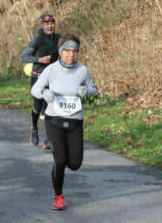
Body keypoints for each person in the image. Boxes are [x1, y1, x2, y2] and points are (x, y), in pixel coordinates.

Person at [31, 34, 97, 210]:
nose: (71, 54)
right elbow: (35, 89)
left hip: (75, 121)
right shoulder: (51, 70)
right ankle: (58, 196)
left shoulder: (83, 70)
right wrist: (44, 93)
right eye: (67, 51)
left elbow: (94, 89)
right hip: (54, 120)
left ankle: (61, 164)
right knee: (60, 160)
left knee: (74, 164)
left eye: (75, 51)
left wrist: (87, 92)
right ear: (60, 52)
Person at [21, 14, 60, 150]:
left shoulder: (58, 39)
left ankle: (48, 138)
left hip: (53, 78)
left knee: (51, 108)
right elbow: (24, 56)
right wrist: (39, 60)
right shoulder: (38, 39)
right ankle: (34, 127)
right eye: (46, 23)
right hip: (38, 77)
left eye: (52, 23)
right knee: (38, 107)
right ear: (42, 25)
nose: (50, 26)